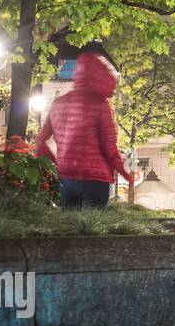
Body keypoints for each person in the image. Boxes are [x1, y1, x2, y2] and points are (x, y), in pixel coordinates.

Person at [34, 50, 131, 208]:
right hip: (95, 179)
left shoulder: (58, 103)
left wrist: (56, 164)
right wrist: (124, 172)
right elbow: (109, 146)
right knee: (93, 227)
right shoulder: (100, 104)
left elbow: (40, 142)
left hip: (67, 179)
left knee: (71, 228)